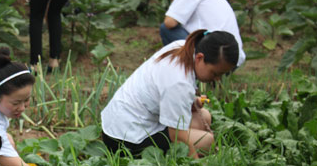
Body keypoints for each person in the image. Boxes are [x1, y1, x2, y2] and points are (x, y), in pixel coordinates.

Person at [101, 30, 239, 159]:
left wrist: (192, 102)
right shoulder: (179, 83)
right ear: (200, 58)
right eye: (215, 73)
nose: (217, 79)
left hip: (120, 123)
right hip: (126, 140)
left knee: (204, 116)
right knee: (207, 141)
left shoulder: (182, 47)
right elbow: (176, 136)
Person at [160, 0, 246, 68]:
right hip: (233, 57)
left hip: (213, 55)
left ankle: (184, 71)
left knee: (166, 29)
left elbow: (169, 23)